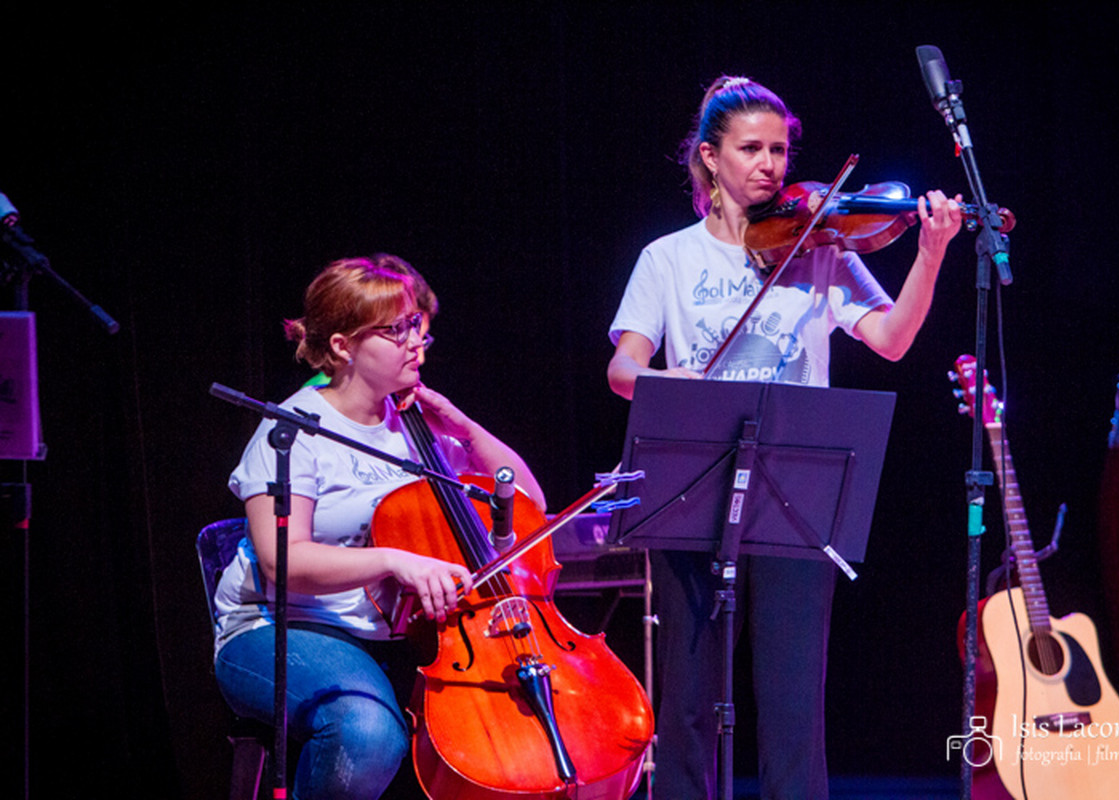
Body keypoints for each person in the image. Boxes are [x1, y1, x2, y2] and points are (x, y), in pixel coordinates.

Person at [606, 76, 962, 799]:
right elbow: (623, 369)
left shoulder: (819, 246)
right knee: (687, 705)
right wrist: (684, 387)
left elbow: (891, 340)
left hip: (793, 493)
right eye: (750, 149)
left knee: (795, 707)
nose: (770, 164)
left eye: (780, 148)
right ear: (709, 158)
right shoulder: (667, 258)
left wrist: (930, 253)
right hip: (692, 482)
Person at [213, 254, 546, 800]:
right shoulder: (294, 431)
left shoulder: (413, 427)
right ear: (342, 346)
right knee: (365, 731)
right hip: (282, 629)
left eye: (418, 325)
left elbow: (528, 504)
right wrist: (395, 560)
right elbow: (282, 559)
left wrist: (462, 427)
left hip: (398, 636)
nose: (417, 341)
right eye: (397, 330)